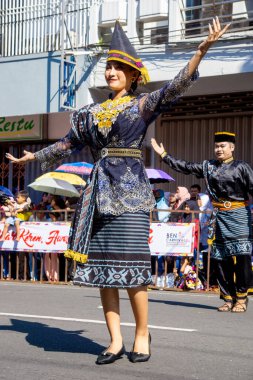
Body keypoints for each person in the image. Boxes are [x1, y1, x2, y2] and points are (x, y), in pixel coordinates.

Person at [6, 18, 229, 362]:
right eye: (108, 66)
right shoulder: (89, 113)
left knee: (132, 270)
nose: (111, 71)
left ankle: (142, 334)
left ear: (132, 74)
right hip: (98, 197)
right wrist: (34, 155)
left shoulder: (141, 105)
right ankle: (114, 340)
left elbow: (174, 87)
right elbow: (67, 144)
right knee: (103, 271)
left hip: (132, 197)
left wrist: (200, 51)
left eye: (118, 67)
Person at [151, 131, 253, 313]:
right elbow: (186, 166)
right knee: (221, 259)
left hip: (239, 214)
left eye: (223, 146)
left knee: (242, 258)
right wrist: (164, 156)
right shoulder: (208, 166)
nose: (219, 149)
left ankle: (242, 298)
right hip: (218, 216)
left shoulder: (242, 167)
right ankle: (228, 298)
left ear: (232, 148)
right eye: (217, 146)